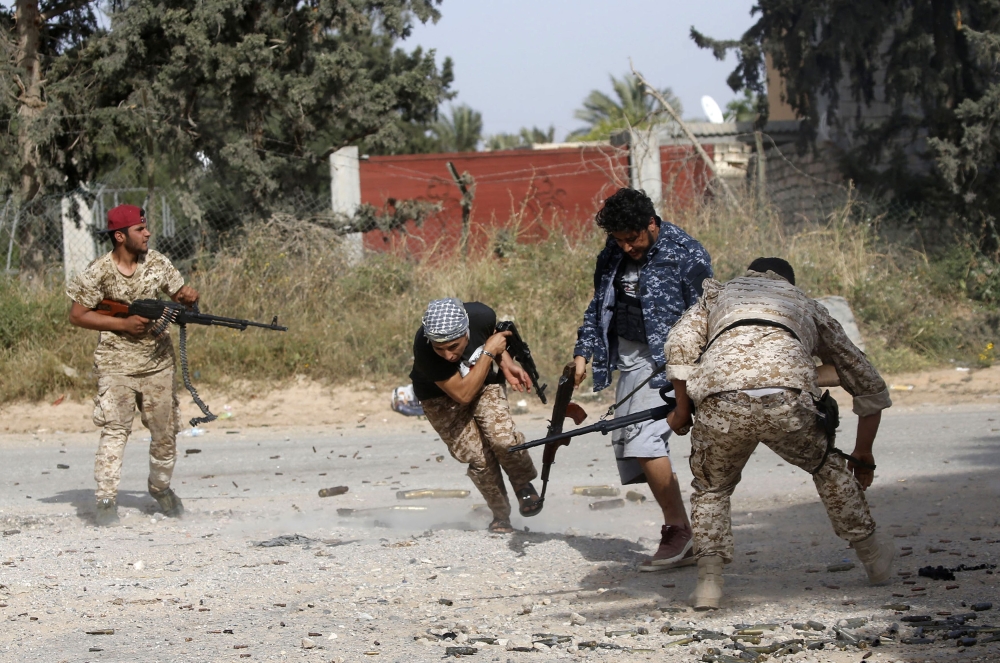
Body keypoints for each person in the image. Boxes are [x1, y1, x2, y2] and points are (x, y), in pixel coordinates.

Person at [664, 257, 895, 610]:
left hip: (720, 399)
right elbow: (866, 380)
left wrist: (682, 409)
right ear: (789, 282)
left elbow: (680, 343)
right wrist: (863, 453)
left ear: (749, 274)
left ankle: (709, 585)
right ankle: (874, 560)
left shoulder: (718, 295)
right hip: (788, 401)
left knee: (712, 488)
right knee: (827, 468)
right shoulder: (804, 304)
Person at [573, 188, 713, 571]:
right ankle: (684, 528)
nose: (626, 247)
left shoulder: (687, 254)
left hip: (673, 363)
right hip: (632, 358)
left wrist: (691, 379)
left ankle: (680, 532)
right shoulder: (613, 251)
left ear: (651, 223)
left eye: (632, 238)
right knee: (629, 442)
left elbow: (707, 315)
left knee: (644, 438)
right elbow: (599, 304)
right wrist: (583, 352)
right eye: (618, 239)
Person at [67, 205, 198, 526]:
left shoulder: (157, 263)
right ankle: (106, 501)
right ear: (120, 235)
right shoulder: (98, 271)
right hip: (115, 365)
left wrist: (188, 298)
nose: (147, 233)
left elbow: (179, 294)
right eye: (140, 230)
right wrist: (122, 326)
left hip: (157, 363)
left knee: (165, 432)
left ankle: (161, 488)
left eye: (146, 227)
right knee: (115, 430)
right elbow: (77, 314)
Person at [410, 298, 542, 533]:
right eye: (439, 348)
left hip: (482, 382)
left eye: (454, 346)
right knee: (478, 457)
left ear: (466, 331)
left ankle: (523, 484)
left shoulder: (481, 315)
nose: (448, 355)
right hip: (440, 397)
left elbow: (493, 336)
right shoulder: (424, 349)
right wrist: (490, 353)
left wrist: (506, 363)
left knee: (503, 438)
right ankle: (500, 514)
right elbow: (463, 394)